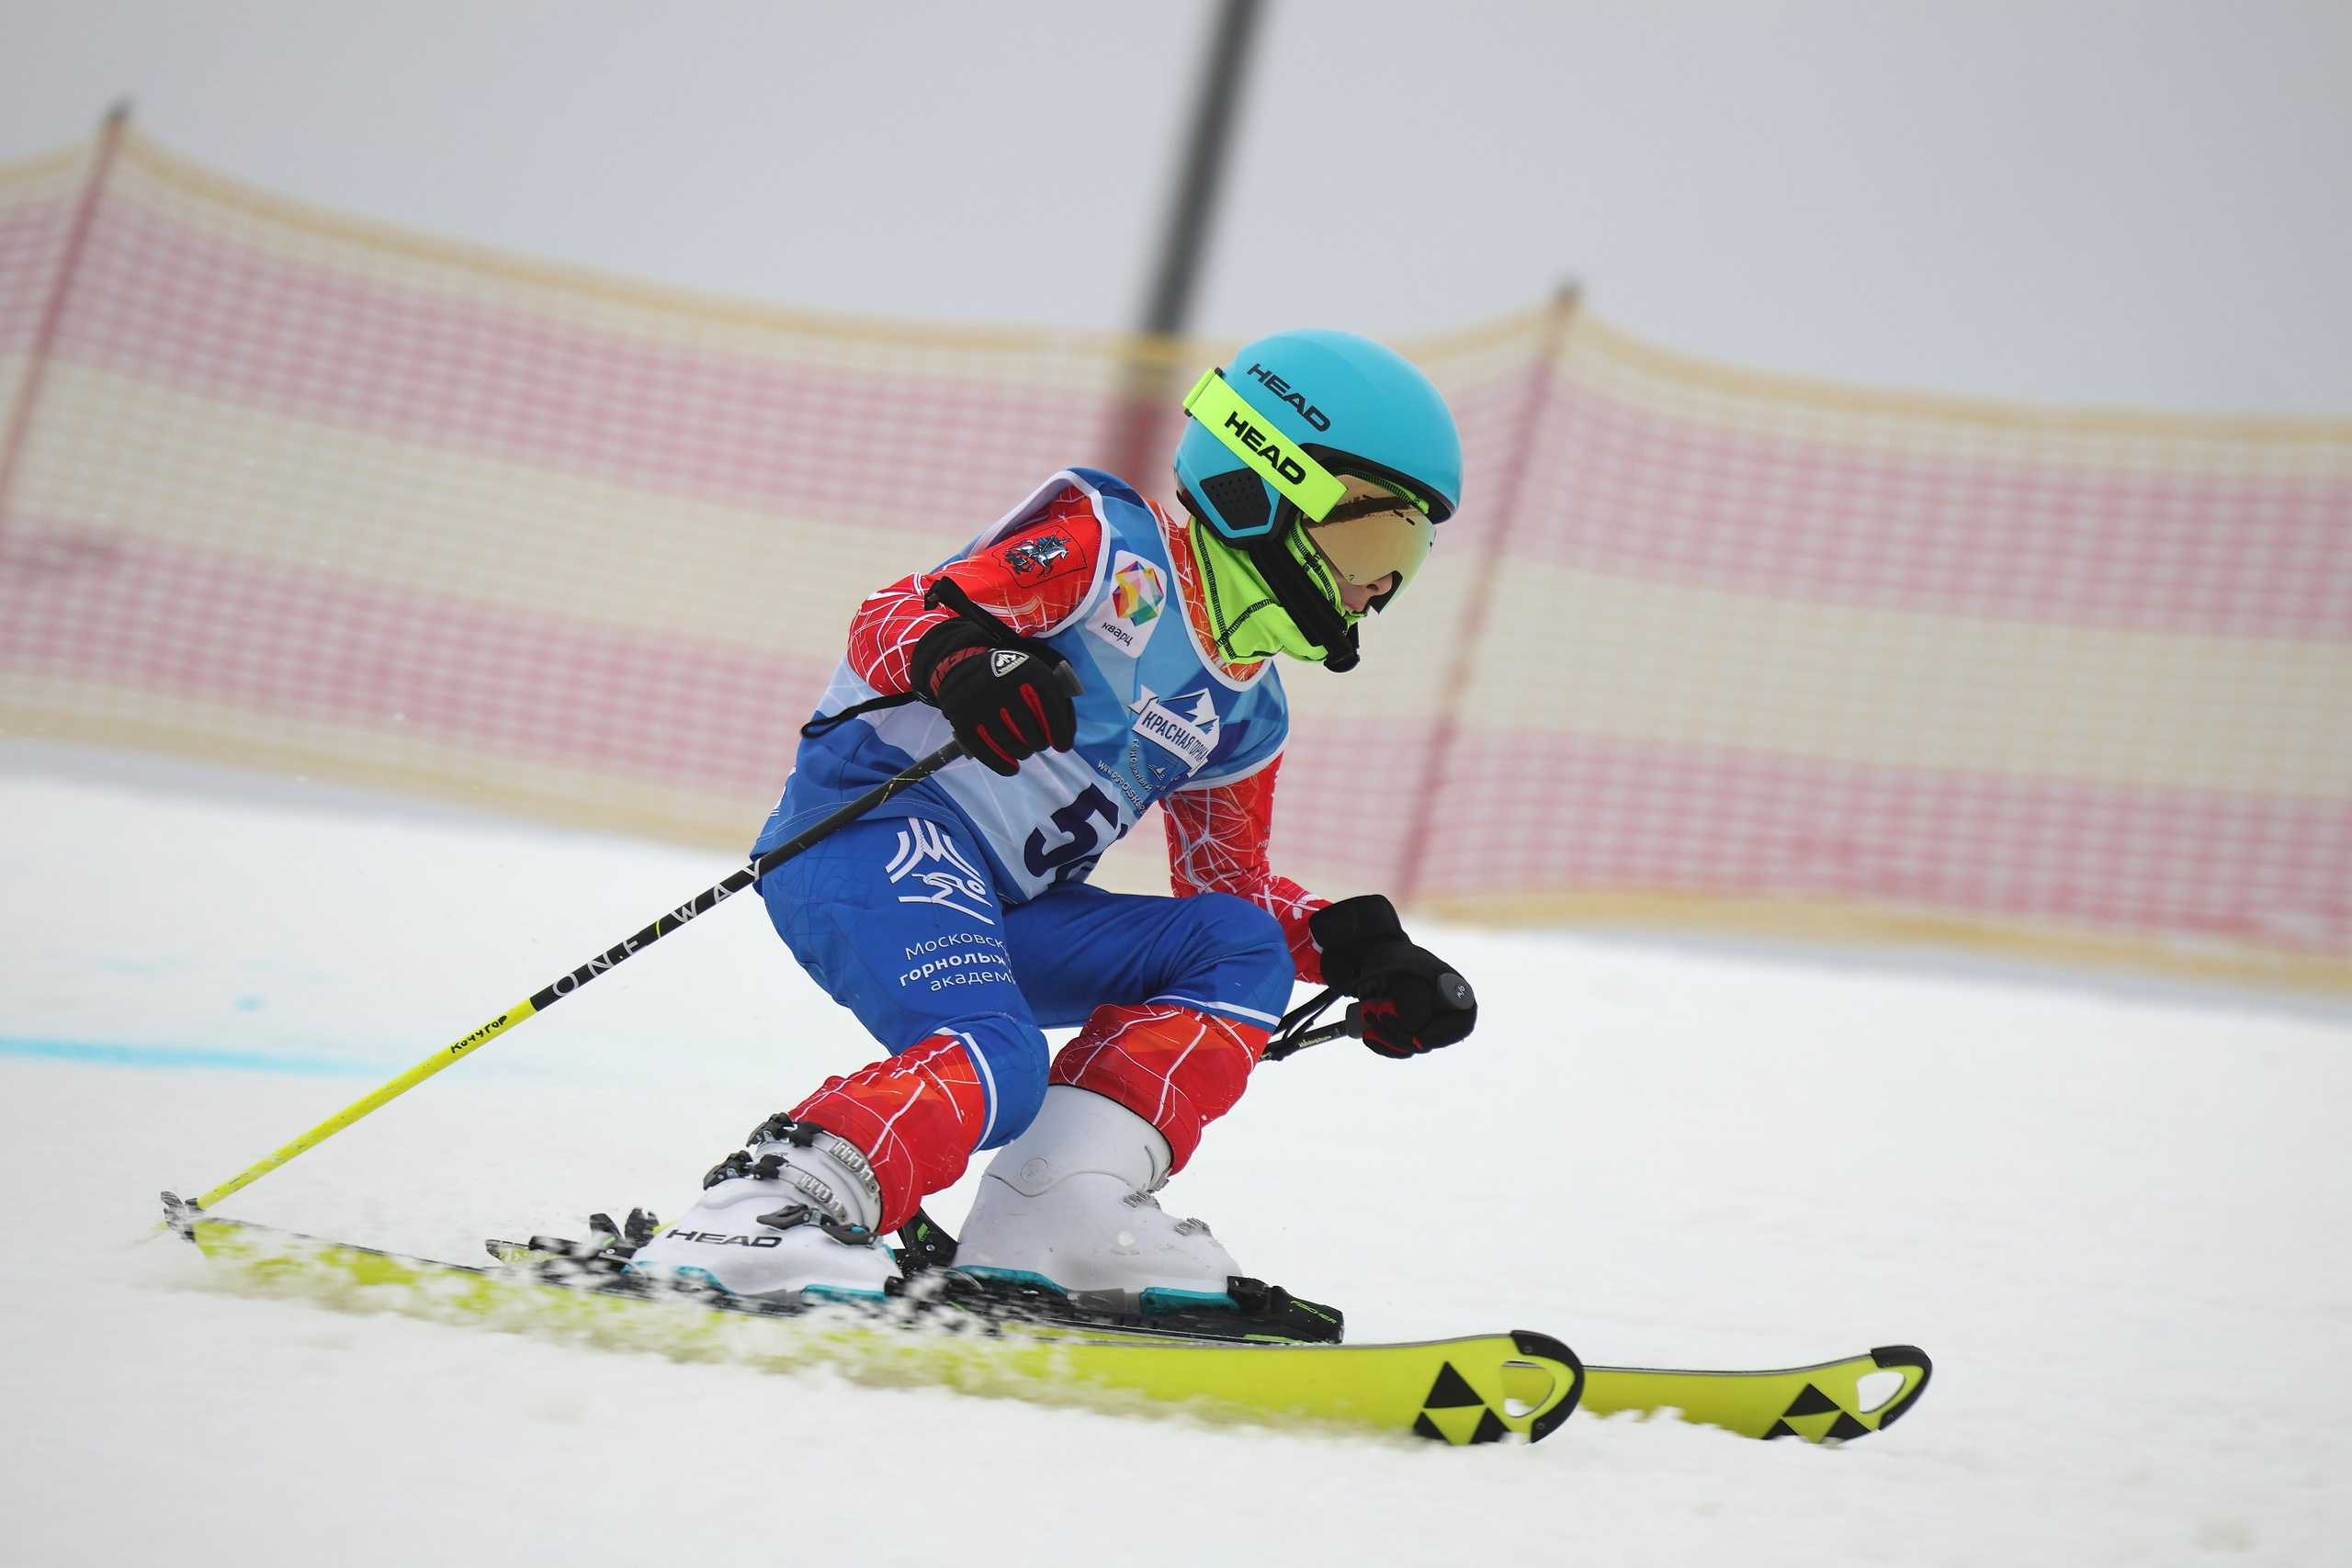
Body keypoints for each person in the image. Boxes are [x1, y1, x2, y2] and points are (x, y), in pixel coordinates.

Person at [628, 330, 1479, 1325]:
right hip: (870, 836)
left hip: (1009, 905)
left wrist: (1353, 949)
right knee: (999, 1058)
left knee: (1234, 947)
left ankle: (1057, 1217)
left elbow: (1228, 889)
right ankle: (764, 1211)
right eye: (1372, 542)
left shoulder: (1246, 709)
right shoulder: (1111, 552)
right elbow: (890, 615)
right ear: (1264, 485)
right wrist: (962, 659)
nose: (1380, 584)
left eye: (1407, 559)